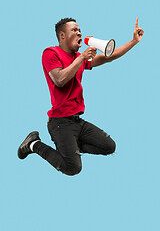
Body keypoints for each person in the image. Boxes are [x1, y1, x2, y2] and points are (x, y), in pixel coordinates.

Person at [17, 17, 144, 176]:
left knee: (109, 146)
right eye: (74, 30)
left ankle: (70, 146)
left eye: (79, 30)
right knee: (72, 168)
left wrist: (134, 41)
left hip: (77, 121)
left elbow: (108, 57)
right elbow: (60, 80)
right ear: (62, 35)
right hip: (60, 122)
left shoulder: (78, 57)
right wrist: (82, 57)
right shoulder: (51, 53)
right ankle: (34, 144)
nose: (79, 33)